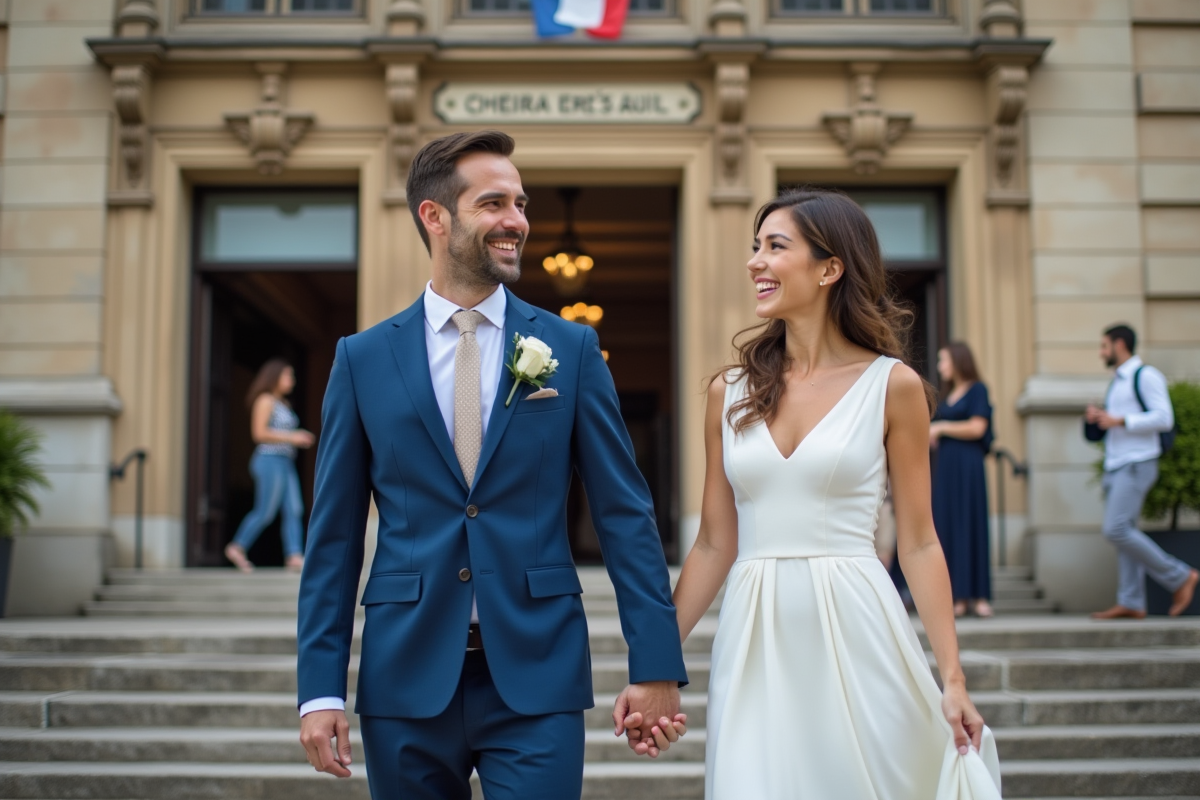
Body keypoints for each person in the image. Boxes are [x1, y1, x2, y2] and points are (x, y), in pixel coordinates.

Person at [296, 130, 688, 800]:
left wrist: (656, 666)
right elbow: (332, 540)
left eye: (521, 204)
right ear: (435, 217)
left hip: (538, 677)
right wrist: (319, 690)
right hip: (405, 675)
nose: (517, 221)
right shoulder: (361, 360)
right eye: (494, 203)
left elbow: (625, 515)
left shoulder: (570, 347)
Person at [671, 189, 1000, 799]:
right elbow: (715, 542)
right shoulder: (728, 391)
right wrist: (656, 661)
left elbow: (921, 541)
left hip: (858, 623)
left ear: (830, 268)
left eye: (775, 246)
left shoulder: (893, 386)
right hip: (753, 634)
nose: (754, 262)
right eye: (754, 247)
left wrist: (952, 677)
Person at [1086, 324, 1198, 619]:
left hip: (1137, 463)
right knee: (1126, 532)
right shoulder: (1118, 381)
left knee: (1116, 528)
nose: (1101, 352)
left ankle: (1180, 576)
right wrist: (1099, 419)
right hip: (1117, 463)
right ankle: (1132, 600)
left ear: (1119, 344)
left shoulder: (1145, 376)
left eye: (1104, 346)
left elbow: (1164, 417)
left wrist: (1120, 420)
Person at [224, 359, 314, 573]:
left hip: (285, 462)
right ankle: (237, 546)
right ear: (274, 377)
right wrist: (294, 437)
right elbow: (259, 433)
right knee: (266, 511)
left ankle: (294, 555)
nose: (291, 381)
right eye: (287, 375)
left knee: (294, 509)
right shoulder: (265, 401)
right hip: (269, 461)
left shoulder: (284, 403)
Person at [931, 342, 994, 618]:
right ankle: (957, 597)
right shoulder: (948, 395)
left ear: (958, 361)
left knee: (971, 524)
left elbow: (978, 427)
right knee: (949, 527)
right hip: (947, 467)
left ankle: (979, 596)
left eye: (943, 360)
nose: (939, 366)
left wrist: (942, 428)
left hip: (968, 468)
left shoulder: (978, 390)